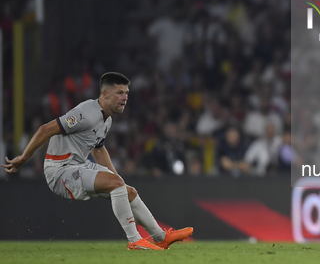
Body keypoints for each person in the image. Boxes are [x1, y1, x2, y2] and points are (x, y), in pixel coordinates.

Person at [2, 72, 193, 250]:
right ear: (105, 94)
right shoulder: (86, 113)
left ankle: (161, 238)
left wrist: (118, 181)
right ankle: (135, 240)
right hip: (59, 170)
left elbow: (99, 150)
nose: (125, 97)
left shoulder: (106, 119)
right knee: (118, 185)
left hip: (78, 164)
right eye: (119, 93)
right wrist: (24, 158)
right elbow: (46, 129)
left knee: (128, 191)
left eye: (126, 93)